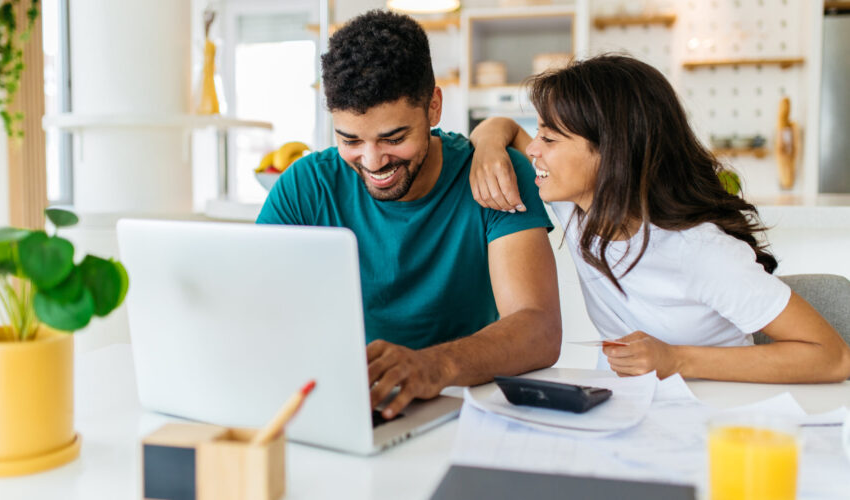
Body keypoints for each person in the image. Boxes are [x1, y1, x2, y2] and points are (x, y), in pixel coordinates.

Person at [256, 10, 563, 419]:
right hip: (341, 406)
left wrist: (432, 366)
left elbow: (539, 329)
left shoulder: (495, 174)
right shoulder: (305, 187)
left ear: (433, 107)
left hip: (463, 408)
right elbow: (255, 309)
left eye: (394, 138)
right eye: (350, 139)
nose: (372, 161)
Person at [468, 55, 850, 383]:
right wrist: (486, 143)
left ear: (612, 154)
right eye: (539, 133)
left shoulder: (699, 250)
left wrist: (676, 359)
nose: (533, 149)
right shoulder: (577, 205)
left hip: (709, 416)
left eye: (550, 139)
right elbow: (505, 128)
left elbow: (831, 357)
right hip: (629, 411)